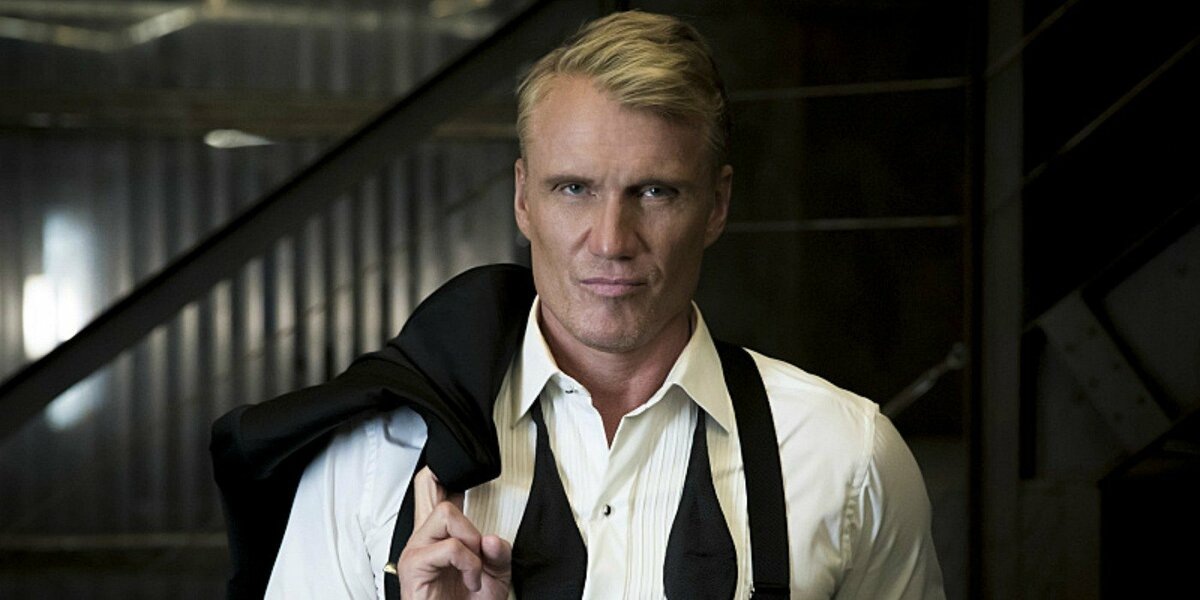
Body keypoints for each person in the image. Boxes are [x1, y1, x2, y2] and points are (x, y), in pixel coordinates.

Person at [253, 10, 944, 599]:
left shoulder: (847, 459)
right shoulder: (373, 461)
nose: (611, 241)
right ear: (523, 198)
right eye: (574, 189)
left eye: (655, 192)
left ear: (717, 205)